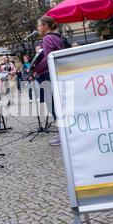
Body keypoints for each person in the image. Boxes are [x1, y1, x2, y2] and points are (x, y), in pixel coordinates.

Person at [36, 15, 64, 146]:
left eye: (39, 25)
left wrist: (35, 68)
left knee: (52, 105)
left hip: (48, 75)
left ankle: (62, 133)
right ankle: (63, 131)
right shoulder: (58, 37)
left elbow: (49, 58)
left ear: (46, 26)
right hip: (57, 74)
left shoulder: (47, 38)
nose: (38, 28)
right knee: (58, 104)